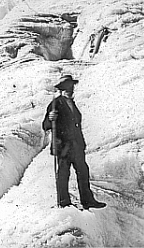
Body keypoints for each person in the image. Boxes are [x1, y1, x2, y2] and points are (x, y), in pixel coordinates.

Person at [41, 74, 106, 210]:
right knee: (64, 174)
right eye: (66, 87)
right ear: (61, 89)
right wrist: (50, 118)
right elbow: (46, 125)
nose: (69, 90)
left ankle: (87, 201)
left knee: (83, 171)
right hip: (63, 146)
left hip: (76, 145)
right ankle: (64, 202)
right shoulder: (55, 103)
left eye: (71, 87)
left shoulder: (72, 103)